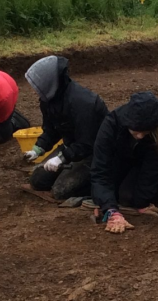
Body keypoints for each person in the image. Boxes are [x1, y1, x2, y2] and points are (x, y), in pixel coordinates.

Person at [22, 55, 107, 204]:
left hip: (94, 153)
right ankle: (71, 169)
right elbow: (51, 129)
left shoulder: (84, 104)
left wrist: (62, 158)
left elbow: (87, 143)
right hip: (72, 148)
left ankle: (102, 183)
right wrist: (38, 149)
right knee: (37, 181)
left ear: (49, 82)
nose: (35, 90)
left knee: (61, 191)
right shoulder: (48, 100)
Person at [90, 91, 158, 234]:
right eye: (136, 131)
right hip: (121, 162)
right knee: (108, 194)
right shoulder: (111, 125)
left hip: (148, 161)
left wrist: (142, 202)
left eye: (145, 132)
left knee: (129, 197)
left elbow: (157, 161)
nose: (139, 136)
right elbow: (100, 170)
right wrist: (112, 211)